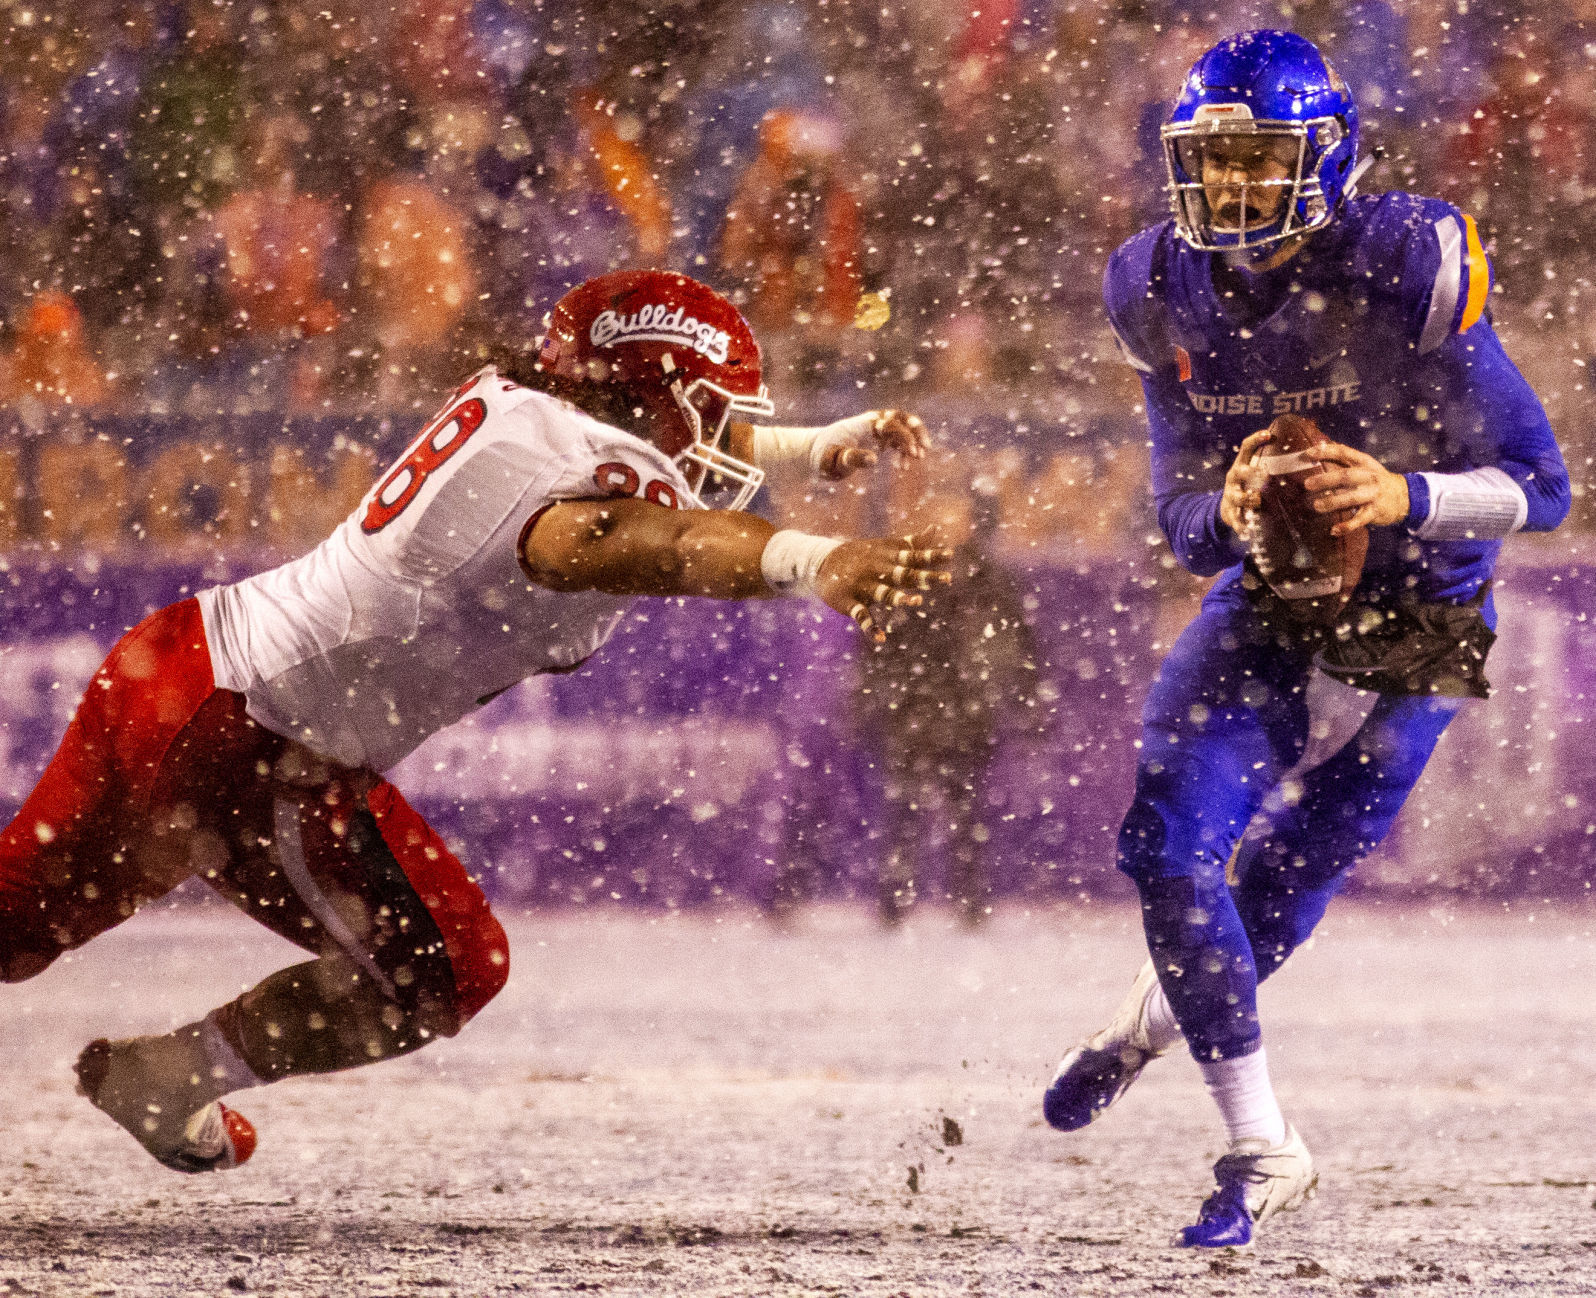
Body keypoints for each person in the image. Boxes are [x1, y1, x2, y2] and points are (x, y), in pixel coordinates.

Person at [0, 269, 945, 1175]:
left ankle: (161, 1083)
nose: (731, 438)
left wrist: (810, 447)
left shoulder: (527, 401)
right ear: (654, 399)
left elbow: (666, 454)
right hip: (256, 752)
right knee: (444, 968)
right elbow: (663, 538)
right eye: (712, 409)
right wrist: (812, 558)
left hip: (180, 662)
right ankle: (170, 1078)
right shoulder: (573, 498)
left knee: (14, 922)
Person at [1041, 31, 1569, 1248]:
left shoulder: (1403, 263)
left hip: (1422, 611)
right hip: (1276, 596)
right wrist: (1223, 511)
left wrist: (1402, 496)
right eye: (1210, 160)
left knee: (1286, 874)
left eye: (1257, 157)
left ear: (1323, 157)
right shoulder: (1155, 285)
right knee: (1165, 845)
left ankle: (1142, 1026)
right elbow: (1177, 518)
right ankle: (1263, 1145)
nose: (1229, 185)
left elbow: (1543, 488)